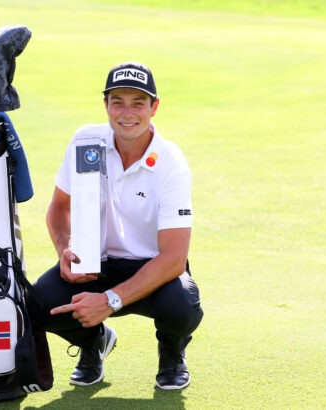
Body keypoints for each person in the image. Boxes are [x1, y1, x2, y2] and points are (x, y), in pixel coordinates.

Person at [27, 62, 204, 390]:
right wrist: (64, 248)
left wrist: (108, 301)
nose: (127, 113)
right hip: (95, 266)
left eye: (138, 102)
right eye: (117, 102)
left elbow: (174, 259)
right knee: (39, 303)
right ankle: (92, 342)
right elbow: (58, 208)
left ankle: (172, 353)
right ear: (105, 105)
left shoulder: (171, 163)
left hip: (155, 271)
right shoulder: (86, 141)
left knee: (181, 306)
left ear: (154, 107)